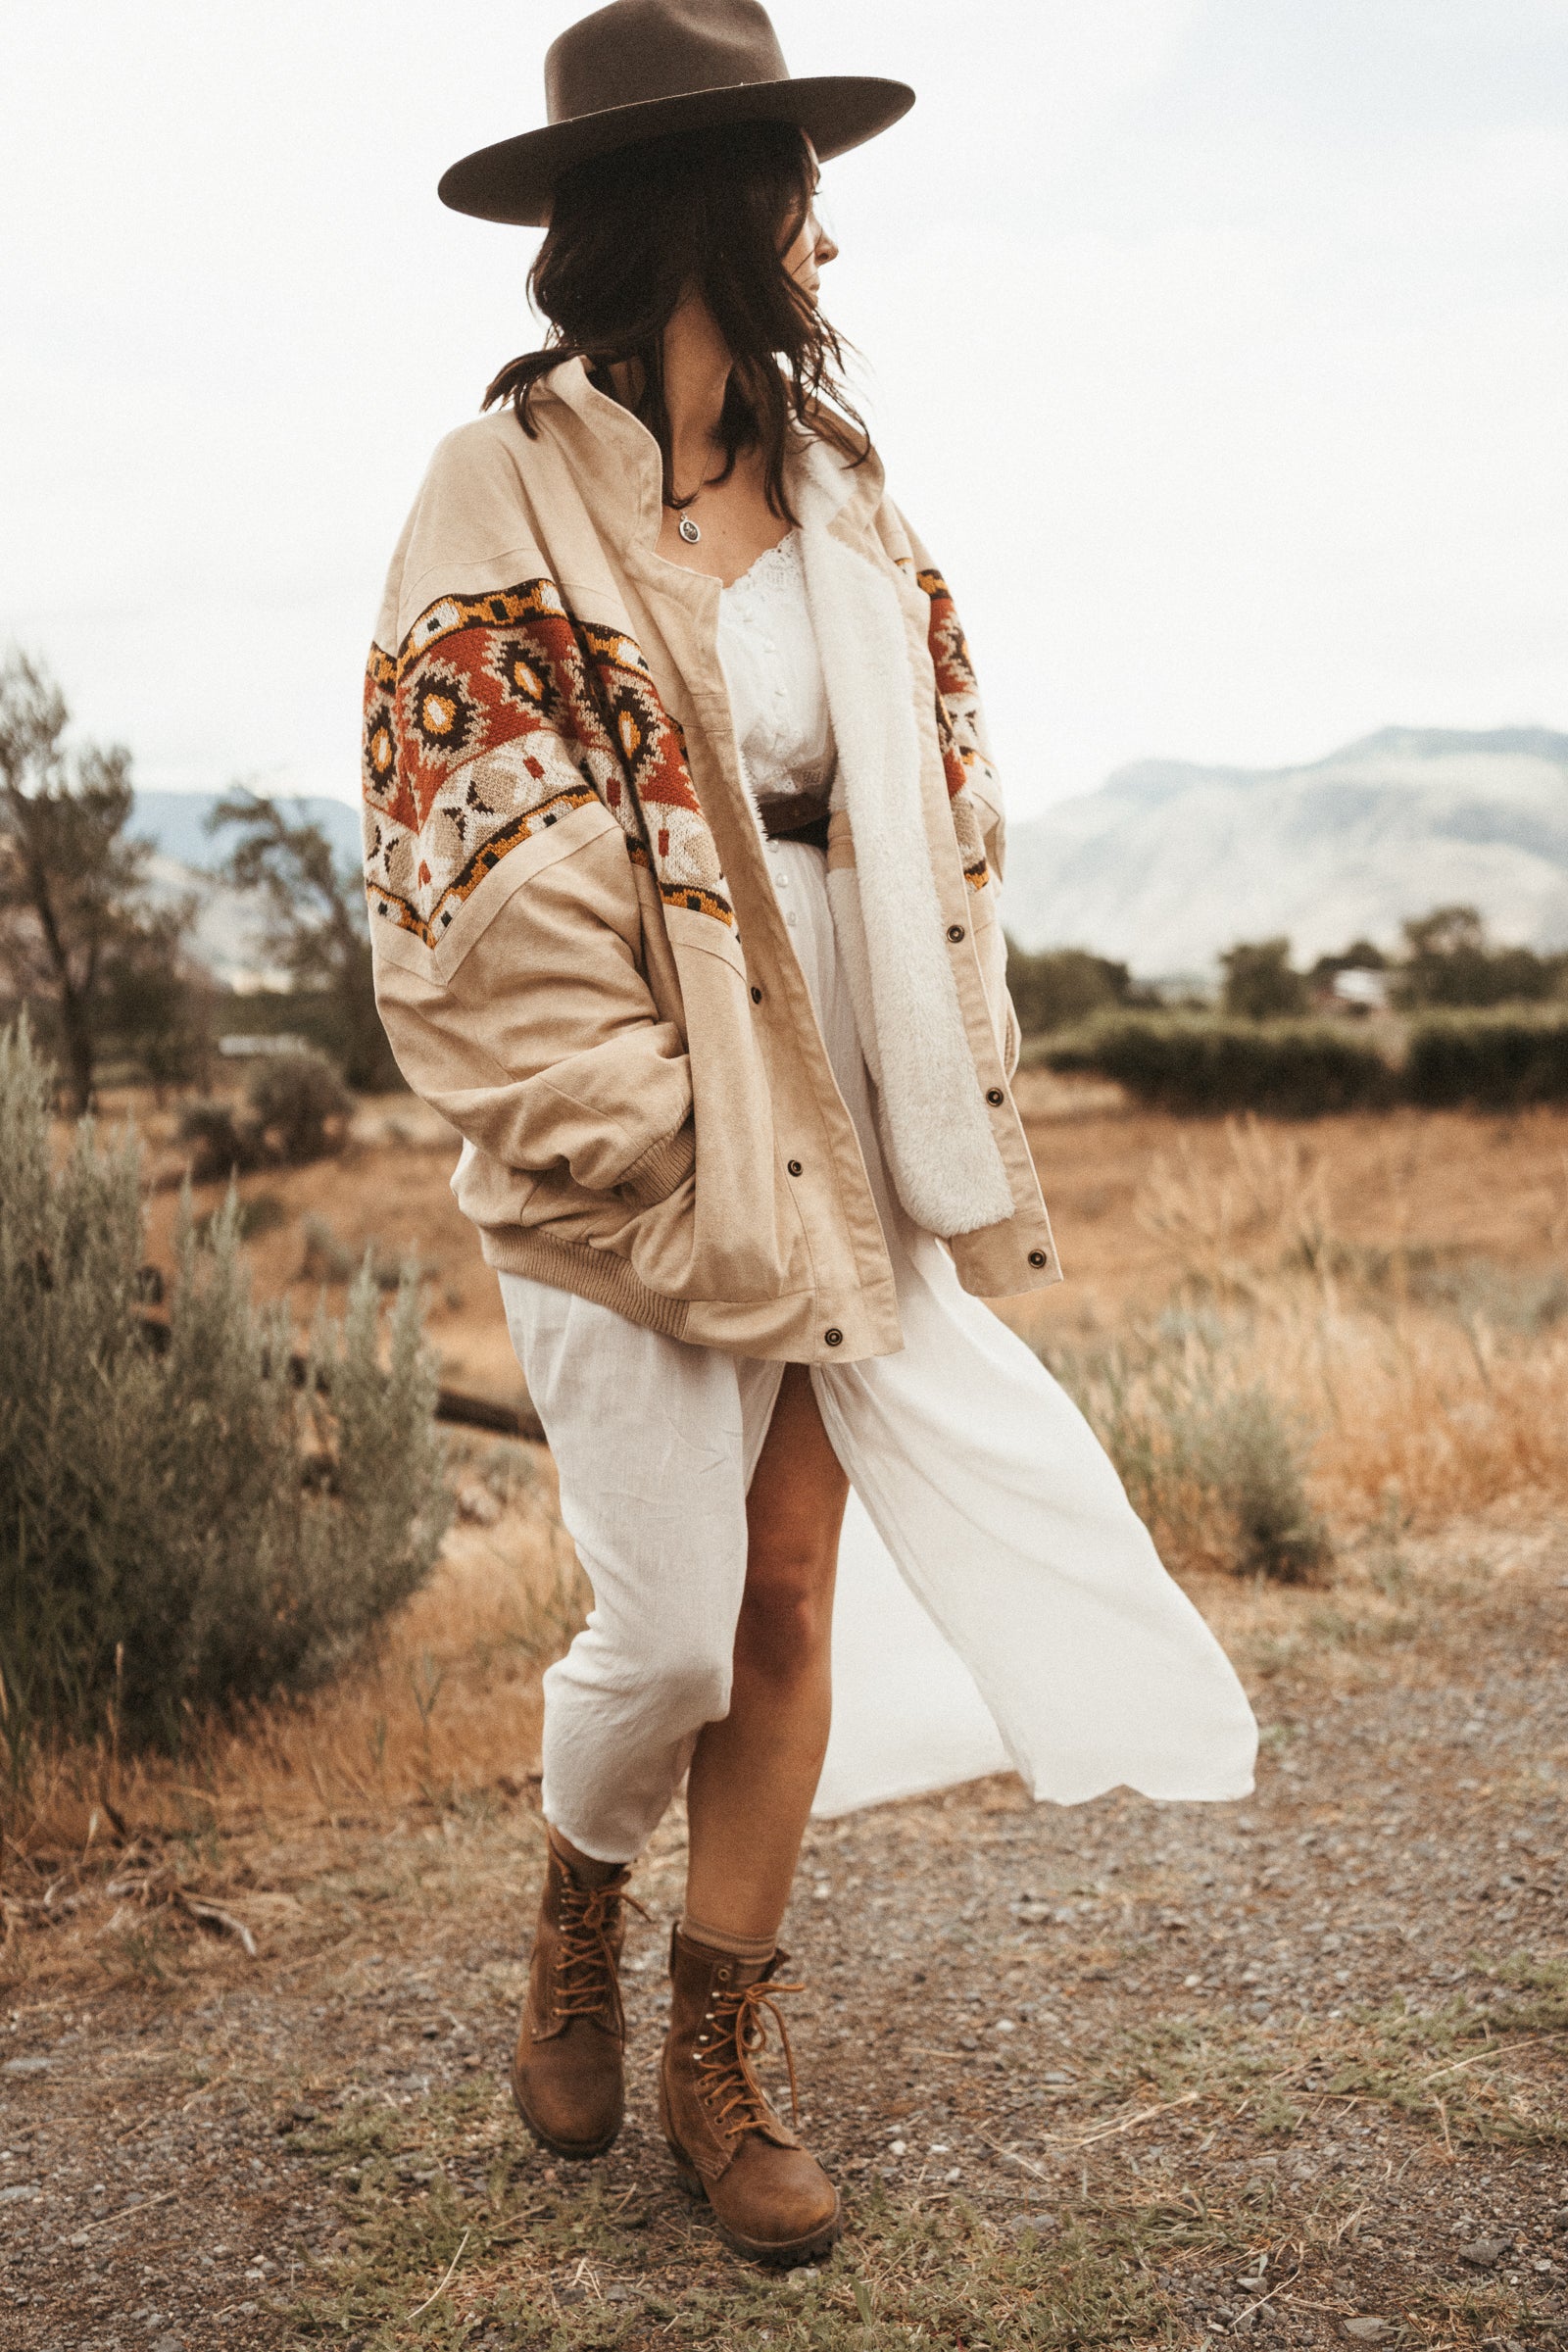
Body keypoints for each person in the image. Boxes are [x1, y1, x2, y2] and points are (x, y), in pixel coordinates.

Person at [364, 0, 1257, 2272]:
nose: (817, 216)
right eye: (786, 175)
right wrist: (640, 1130)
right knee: (660, 1632)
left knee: (781, 1597)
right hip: (645, 1128)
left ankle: (717, 2046)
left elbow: (946, 788)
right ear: (702, 203)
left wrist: (934, 1062)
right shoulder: (503, 490)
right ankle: (579, 1898)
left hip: (844, 1103)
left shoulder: (847, 487)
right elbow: (470, 835)